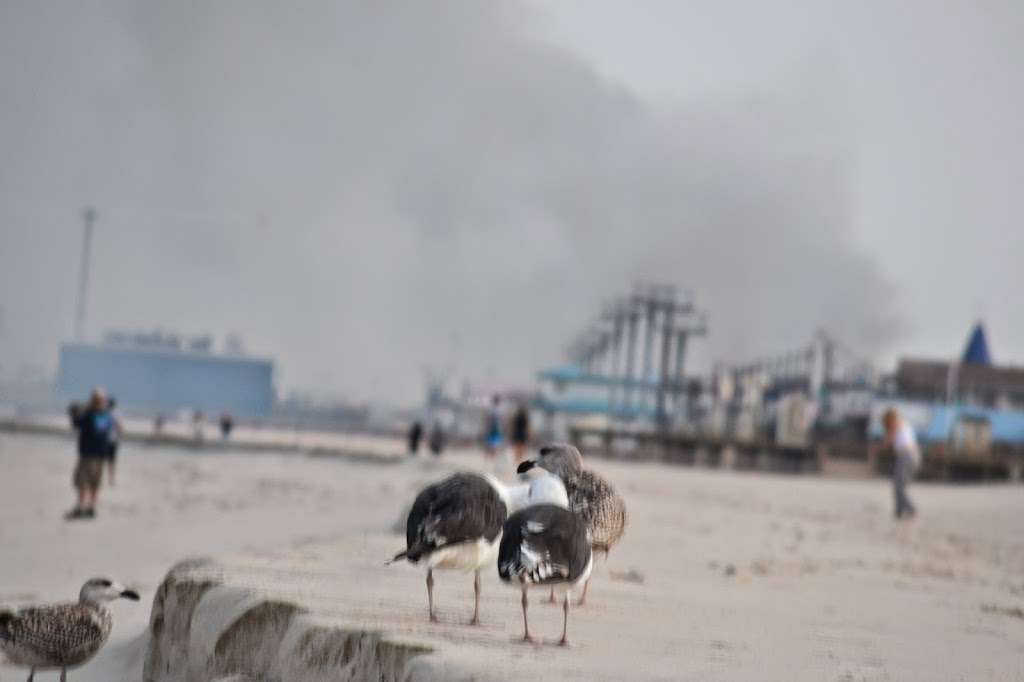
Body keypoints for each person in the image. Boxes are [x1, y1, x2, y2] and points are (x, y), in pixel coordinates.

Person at [67, 388, 115, 520]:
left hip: (88, 455)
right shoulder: (106, 416)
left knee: (83, 482)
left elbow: (76, 423)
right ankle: (91, 508)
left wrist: (75, 412)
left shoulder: (90, 415)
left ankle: (81, 507)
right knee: (95, 483)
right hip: (101, 455)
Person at [882, 408, 920, 520]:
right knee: (899, 486)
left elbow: (889, 440)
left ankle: (910, 508)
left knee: (898, 487)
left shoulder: (897, 423)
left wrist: (884, 443)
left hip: (906, 456)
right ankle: (899, 511)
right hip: (911, 456)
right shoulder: (903, 424)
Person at [103, 396, 123, 486]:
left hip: (106, 440)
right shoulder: (116, 414)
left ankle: (109, 478)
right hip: (113, 440)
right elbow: (120, 427)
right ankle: (111, 479)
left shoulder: (104, 413)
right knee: (112, 461)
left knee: (104, 460)